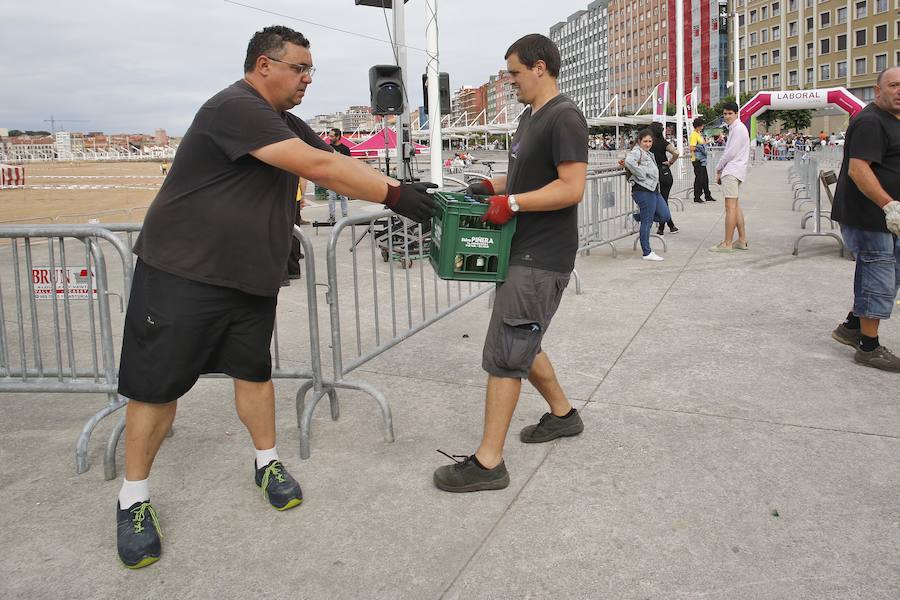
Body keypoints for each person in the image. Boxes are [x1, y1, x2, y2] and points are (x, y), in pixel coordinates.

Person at [114, 25, 437, 569]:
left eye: (312, 70)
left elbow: (334, 157)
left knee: (254, 375)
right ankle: (133, 498)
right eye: (300, 68)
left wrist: (405, 180)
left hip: (247, 277)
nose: (308, 78)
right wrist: (398, 197)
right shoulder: (233, 108)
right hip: (182, 273)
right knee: (156, 389)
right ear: (265, 66)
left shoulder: (284, 123)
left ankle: (267, 463)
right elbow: (317, 167)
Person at [432, 33, 588, 493]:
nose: (511, 81)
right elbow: (523, 175)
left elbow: (571, 187)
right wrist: (490, 186)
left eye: (516, 73)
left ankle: (489, 463)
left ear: (540, 67)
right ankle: (563, 416)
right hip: (522, 250)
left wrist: (514, 204)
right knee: (523, 337)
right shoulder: (529, 117)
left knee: (506, 352)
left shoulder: (565, 117)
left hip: (542, 256)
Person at [829, 66, 900, 372]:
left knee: (889, 273)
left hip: (884, 216)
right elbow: (859, 170)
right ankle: (868, 347)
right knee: (879, 274)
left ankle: (851, 326)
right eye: (894, 85)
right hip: (870, 215)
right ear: (878, 90)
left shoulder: (893, 119)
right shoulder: (871, 120)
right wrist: (889, 205)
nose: (899, 91)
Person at [624, 129, 671, 261]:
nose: (648, 143)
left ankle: (637, 217)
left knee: (665, 216)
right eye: (645, 141)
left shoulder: (648, 153)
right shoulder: (636, 152)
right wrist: (642, 173)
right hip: (643, 190)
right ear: (639, 141)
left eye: (650, 141)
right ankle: (647, 252)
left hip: (653, 190)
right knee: (647, 221)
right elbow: (629, 162)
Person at [709, 102, 750, 252]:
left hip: (732, 171)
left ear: (736, 114)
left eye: (730, 113)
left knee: (730, 207)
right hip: (736, 171)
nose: (727, 116)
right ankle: (742, 240)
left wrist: (718, 167)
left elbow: (730, 153)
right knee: (735, 206)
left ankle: (727, 243)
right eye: (725, 114)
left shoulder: (738, 129)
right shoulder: (737, 128)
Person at [649, 121, 680, 235]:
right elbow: (676, 153)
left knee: (660, 201)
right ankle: (669, 225)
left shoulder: (648, 143)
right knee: (664, 200)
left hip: (653, 175)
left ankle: (663, 226)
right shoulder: (664, 143)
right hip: (665, 173)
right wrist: (670, 162)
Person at [326, 128, 352, 223]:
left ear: (338, 137)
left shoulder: (345, 149)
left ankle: (345, 216)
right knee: (331, 197)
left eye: (332, 136)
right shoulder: (328, 148)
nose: (329, 137)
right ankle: (332, 216)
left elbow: (349, 163)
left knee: (343, 197)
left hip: (343, 176)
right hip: (331, 176)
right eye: (329, 135)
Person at [689, 117, 715, 204]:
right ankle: (697, 196)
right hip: (697, 160)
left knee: (705, 178)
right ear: (698, 126)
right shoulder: (693, 135)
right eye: (702, 125)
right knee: (699, 179)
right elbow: (692, 147)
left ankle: (707, 195)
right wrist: (700, 147)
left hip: (702, 160)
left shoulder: (698, 134)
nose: (703, 126)